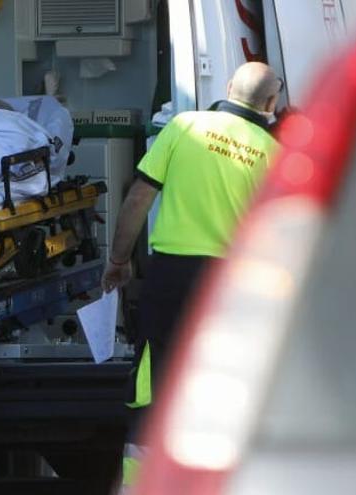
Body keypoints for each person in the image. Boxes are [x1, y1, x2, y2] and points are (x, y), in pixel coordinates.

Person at [101, 62, 282, 490]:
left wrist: (118, 258)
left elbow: (139, 197)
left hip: (171, 277)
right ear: (271, 104)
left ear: (227, 88)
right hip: (230, 285)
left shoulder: (185, 127)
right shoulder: (273, 154)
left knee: (155, 384)